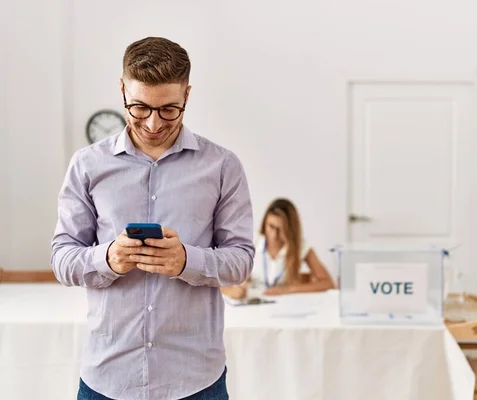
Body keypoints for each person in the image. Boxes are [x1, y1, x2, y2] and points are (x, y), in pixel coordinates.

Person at [51, 37, 254, 400]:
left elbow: (241, 261)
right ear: (122, 88)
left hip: (196, 381)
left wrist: (187, 261)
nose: (154, 123)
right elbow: (62, 258)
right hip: (108, 378)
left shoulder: (222, 166)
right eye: (139, 107)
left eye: (169, 109)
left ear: (187, 95)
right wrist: (107, 257)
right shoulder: (87, 164)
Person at [221, 198, 334, 300]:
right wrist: (232, 291)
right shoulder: (251, 242)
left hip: (285, 305)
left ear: (290, 229)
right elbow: (220, 279)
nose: (274, 235)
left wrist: (287, 290)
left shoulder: (301, 246)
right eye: (271, 227)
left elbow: (328, 283)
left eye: (281, 229)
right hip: (255, 304)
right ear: (264, 224)